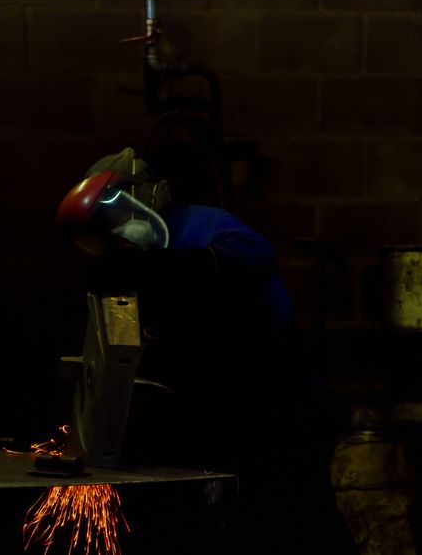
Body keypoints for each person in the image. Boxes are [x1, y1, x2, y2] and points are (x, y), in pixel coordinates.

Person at [55, 148, 356, 555]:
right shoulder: (141, 265)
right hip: (234, 410)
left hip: (287, 409)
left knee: (298, 523)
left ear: (149, 195)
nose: (114, 236)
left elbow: (252, 255)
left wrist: (169, 268)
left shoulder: (203, 226)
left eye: (113, 220)